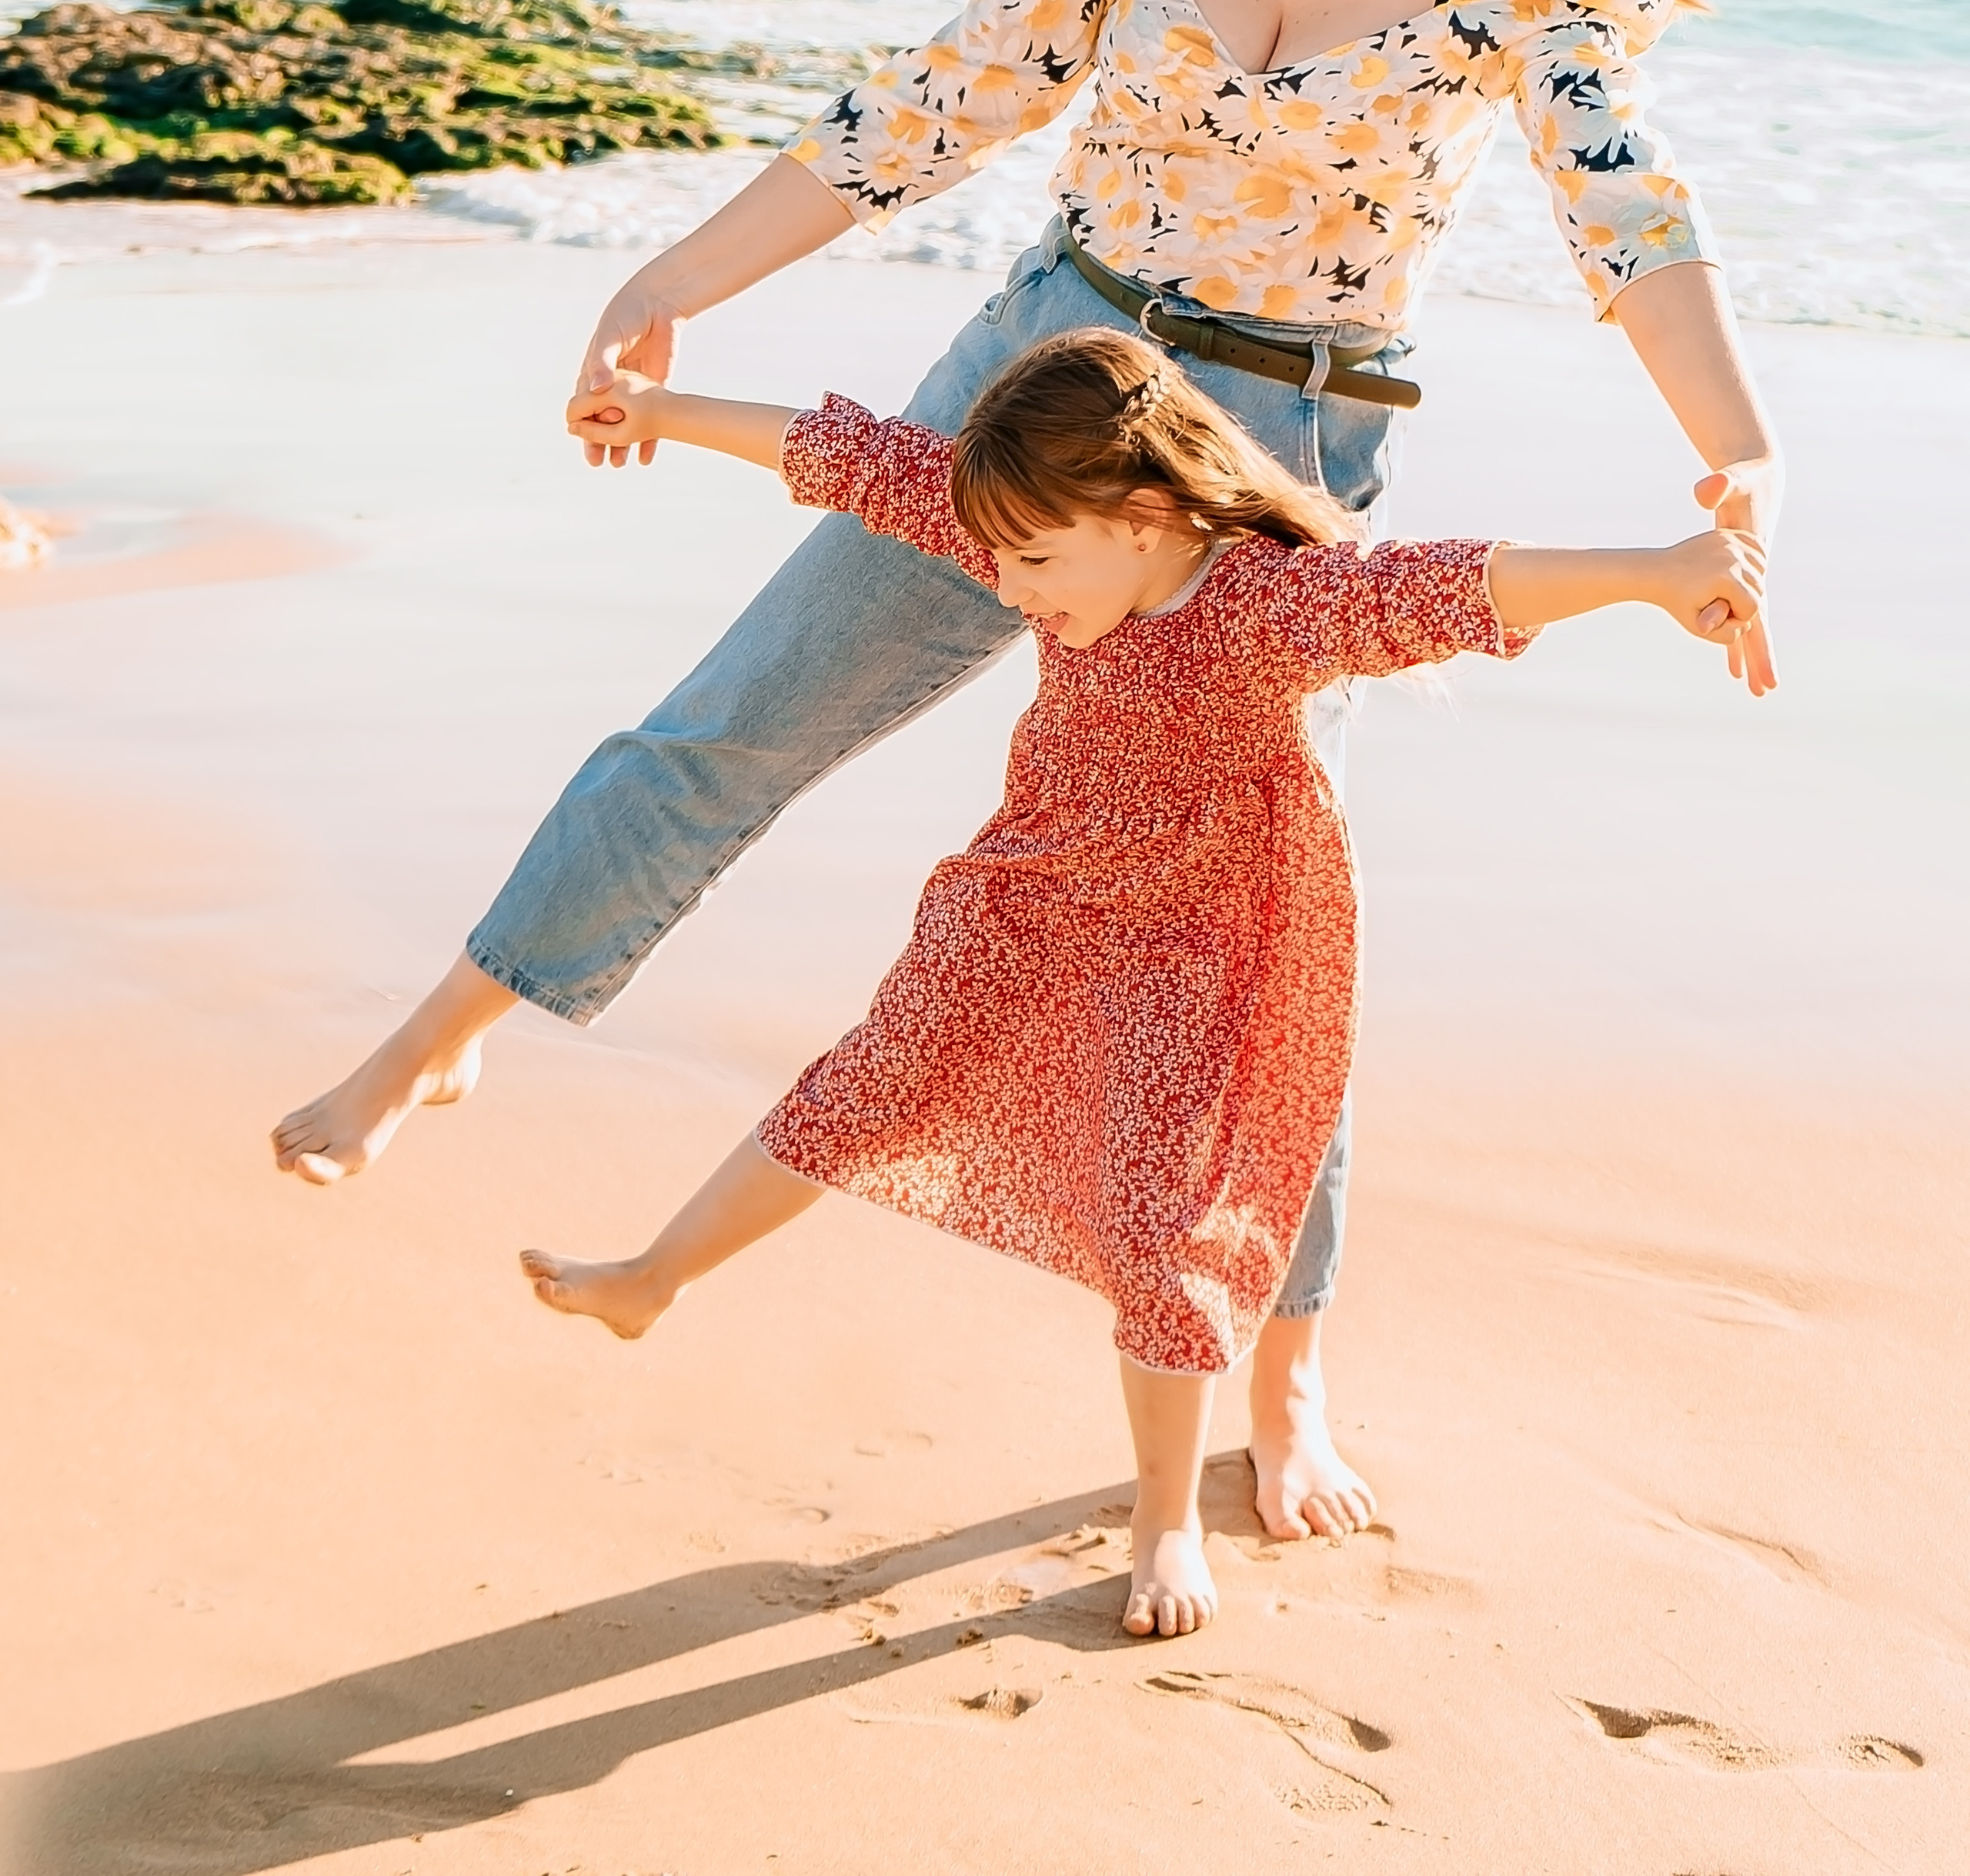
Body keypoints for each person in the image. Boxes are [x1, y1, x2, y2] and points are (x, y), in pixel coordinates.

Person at [274, 0, 1783, 1548]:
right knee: (741, 720)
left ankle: (1288, 1375)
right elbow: (931, 105)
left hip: (1269, 458)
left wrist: (1733, 452)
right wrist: (669, 277)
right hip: (1033, 382)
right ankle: (438, 1038)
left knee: (1260, 940)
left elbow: (1629, 212)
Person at [518, 330, 1765, 1641]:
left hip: (1197, 945)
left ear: (1147, 517)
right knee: (868, 1083)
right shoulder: (1046, 534)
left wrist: (1659, 573)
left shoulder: (1268, 606)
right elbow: (854, 460)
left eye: (1034, 562)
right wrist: (660, 407)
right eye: (1001, 559)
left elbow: (1455, 586)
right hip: (1029, 889)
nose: (1009, 588)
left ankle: (1166, 1519)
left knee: (1169, 1231)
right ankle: (652, 1277)